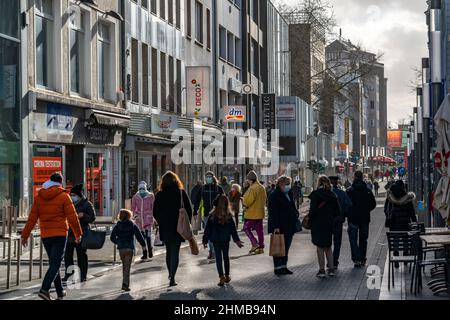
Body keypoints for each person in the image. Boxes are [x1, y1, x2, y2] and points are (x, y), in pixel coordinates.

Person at [21, 173, 82, 300]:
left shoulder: (39, 197)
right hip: (59, 235)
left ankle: (60, 292)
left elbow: (32, 219)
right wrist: (78, 234)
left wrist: (25, 236)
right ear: (60, 183)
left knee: (54, 263)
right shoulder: (64, 196)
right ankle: (44, 289)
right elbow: (73, 218)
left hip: (46, 235)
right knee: (56, 264)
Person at [153, 171, 193, 287]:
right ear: (176, 180)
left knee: (168, 251)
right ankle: (172, 277)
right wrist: (187, 223)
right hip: (178, 227)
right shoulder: (181, 193)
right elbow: (188, 209)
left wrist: (160, 221)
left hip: (165, 227)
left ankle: (170, 273)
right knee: (175, 251)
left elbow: (154, 212)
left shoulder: (160, 194)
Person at [203, 195, 244, 286]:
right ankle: (227, 276)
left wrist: (205, 241)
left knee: (218, 258)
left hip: (215, 239)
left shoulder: (212, 216)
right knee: (226, 257)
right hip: (225, 239)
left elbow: (207, 230)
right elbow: (233, 230)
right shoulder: (228, 216)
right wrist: (237, 241)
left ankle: (221, 277)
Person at [309, 176, 341, 278]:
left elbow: (312, 211)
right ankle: (331, 269)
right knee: (328, 246)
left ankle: (322, 270)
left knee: (319, 247)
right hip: (329, 224)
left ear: (318, 183)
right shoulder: (333, 195)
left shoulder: (315, 195)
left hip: (317, 224)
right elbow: (338, 212)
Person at [63, 184, 95, 283]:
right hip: (69, 234)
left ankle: (83, 275)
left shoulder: (87, 204)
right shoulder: (68, 204)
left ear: (79, 195)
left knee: (81, 256)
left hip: (82, 234)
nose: (72, 197)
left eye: (74, 195)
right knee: (67, 256)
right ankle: (69, 274)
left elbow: (92, 218)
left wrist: (84, 215)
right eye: (71, 195)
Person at [268, 176, 299, 275]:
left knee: (286, 247)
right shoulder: (274, 195)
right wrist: (276, 226)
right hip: (279, 226)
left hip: (289, 225)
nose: (288, 186)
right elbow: (273, 212)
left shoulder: (288, 193)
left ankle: (284, 266)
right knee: (278, 246)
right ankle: (278, 268)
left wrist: (295, 213)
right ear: (281, 184)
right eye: (287, 184)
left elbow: (292, 206)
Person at [110, 209, 147, 291]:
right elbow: (139, 236)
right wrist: (144, 247)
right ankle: (125, 284)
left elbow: (112, 237)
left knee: (124, 266)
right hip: (129, 248)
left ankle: (124, 283)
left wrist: (118, 242)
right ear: (129, 216)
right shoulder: (132, 225)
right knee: (127, 267)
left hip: (121, 249)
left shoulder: (117, 225)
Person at [346, 171, 377, 268]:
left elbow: (346, 204)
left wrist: (349, 213)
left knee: (353, 240)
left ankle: (356, 259)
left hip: (353, 218)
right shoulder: (367, 191)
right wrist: (366, 210)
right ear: (362, 178)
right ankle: (363, 258)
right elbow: (373, 204)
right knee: (363, 239)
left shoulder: (349, 191)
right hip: (365, 218)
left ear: (354, 177)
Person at [384, 180, 417, 268]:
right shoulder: (407, 198)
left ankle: (396, 257)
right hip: (405, 224)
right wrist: (414, 222)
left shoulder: (390, 197)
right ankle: (406, 258)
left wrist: (389, 217)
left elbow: (385, 210)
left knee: (395, 241)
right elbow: (412, 213)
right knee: (405, 240)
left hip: (393, 224)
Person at [193, 171, 223, 260]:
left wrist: (224, 212)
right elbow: (197, 200)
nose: (208, 178)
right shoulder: (203, 188)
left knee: (216, 233)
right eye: (207, 177)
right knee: (209, 233)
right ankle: (212, 252)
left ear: (213, 177)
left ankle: (216, 250)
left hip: (217, 214)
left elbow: (224, 200)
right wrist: (195, 211)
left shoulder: (218, 188)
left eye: (210, 177)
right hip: (206, 214)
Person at [329, 177, 352, 269]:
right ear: (337, 183)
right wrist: (344, 215)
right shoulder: (342, 193)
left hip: (327, 222)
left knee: (327, 243)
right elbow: (349, 205)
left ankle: (329, 261)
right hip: (338, 221)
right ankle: (334, 261)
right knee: (337, 242)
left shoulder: (324, 193)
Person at [242, 170, 267, 254]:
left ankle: (254, 243)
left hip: (252, 213)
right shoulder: (261, 187)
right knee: (260, 231)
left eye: (248, 179)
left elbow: (248, 201)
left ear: (251, 179)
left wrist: (244, 202)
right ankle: (261, 247)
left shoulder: (252, 188)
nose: (247, 181)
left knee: (246, 228)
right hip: (260, 212)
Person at [131, 181, 155, 260]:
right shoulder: (135, 197)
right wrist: (135, 215)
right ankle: (144, 252)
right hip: (139, 220)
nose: (141, 190)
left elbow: (153, 207)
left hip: (148, 219)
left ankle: (150, 250)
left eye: (143, 188)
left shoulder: (151, 196)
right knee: (142, 237)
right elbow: (133, 208)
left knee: (148, 236)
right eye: (140, 188)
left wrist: (153, 216)